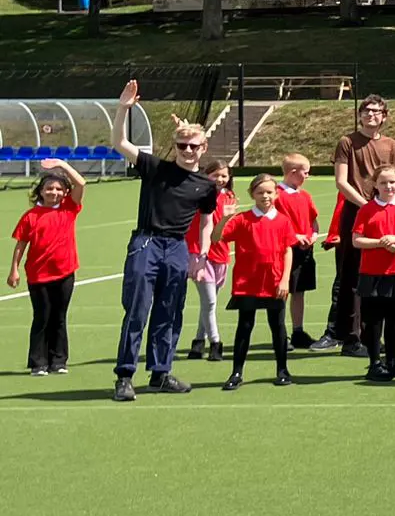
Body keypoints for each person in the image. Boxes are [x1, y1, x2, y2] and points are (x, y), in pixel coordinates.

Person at [109, 80, 221, 402]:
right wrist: (123, 108)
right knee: (137, 310)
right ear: (174, 147)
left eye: (193, 146)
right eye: (181, 146)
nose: (187, 151)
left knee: (170, 312)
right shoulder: (155, 168)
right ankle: (125, 375)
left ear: (204, 149)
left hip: (177, 249)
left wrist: (199, 255)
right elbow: (119, 141)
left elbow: (207, 220)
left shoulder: (205, 186)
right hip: (146, 243)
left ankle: (160, 373)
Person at [312, 95, 395, 356]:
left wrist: (389, 204)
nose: (370, 115)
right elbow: (341, 181)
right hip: (356, 211)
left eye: (376, 111)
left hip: (382, 212)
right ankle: (350, 337)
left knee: (379, 273)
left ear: (384, 116)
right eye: (366, 110)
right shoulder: (347, 142)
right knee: (351, 275)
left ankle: (370, 334)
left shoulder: (391, 144)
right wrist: (365, 205)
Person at [218, 175, 298, 391]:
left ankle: (282, 369)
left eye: (269, 192)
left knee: (278, 326)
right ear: (252, 194)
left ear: (276, 194)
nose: (265, 196)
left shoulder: (282, 220)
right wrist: (224, 218)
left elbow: (288, 250)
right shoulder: (243, 219)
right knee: (245, 326)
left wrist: (285, 279)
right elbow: (217, 238)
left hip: (274, 282)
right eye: (260, 192)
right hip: (248, 282)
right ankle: (236, 372)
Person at [10, 159, 84, 376]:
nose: (54, 192)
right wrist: (13, 269)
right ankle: (38, 362)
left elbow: (81, 185)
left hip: (65, 272)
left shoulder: (69, 209)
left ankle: (58, 361)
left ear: (65, 192)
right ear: (40, 192)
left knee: (59, 317)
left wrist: (62, 164)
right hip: (38, 274)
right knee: (42, 316)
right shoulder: (30, 216)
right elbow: (20, 245)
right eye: (49, 188)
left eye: (59, 189)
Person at [351, 165, 395, 383]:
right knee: (373, 319)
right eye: (383, 183)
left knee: (394, 317)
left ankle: (393, 360)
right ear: (375, 185)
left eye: (392, 182)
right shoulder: (366, 210)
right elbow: (357, 240)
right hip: (372, 272)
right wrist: (381, 243)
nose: (388, 186)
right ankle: (375, 362)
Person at [184, 161, 234, 363]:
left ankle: (197, 342)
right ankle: (215, 343)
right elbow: (207, 229)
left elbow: (226, 231)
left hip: (222, 254)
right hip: (199, 252)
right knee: (210, 301)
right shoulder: (198, 195)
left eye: (224, 176)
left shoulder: (229, 197)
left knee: (209, 303)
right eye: (216, 175)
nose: (220, 180)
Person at [272, 153, 320, 350]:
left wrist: (313, 235)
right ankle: (279, 332)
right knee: (281, 291)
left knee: (299, 291)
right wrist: (295, 237)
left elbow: (314, 222)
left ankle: (297, 331)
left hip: (304, 251)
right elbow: (274, 223)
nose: (307, 176)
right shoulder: (275, 195)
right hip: (284, 251)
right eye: (305, 172)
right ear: (293, 173)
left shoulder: (305, 196)